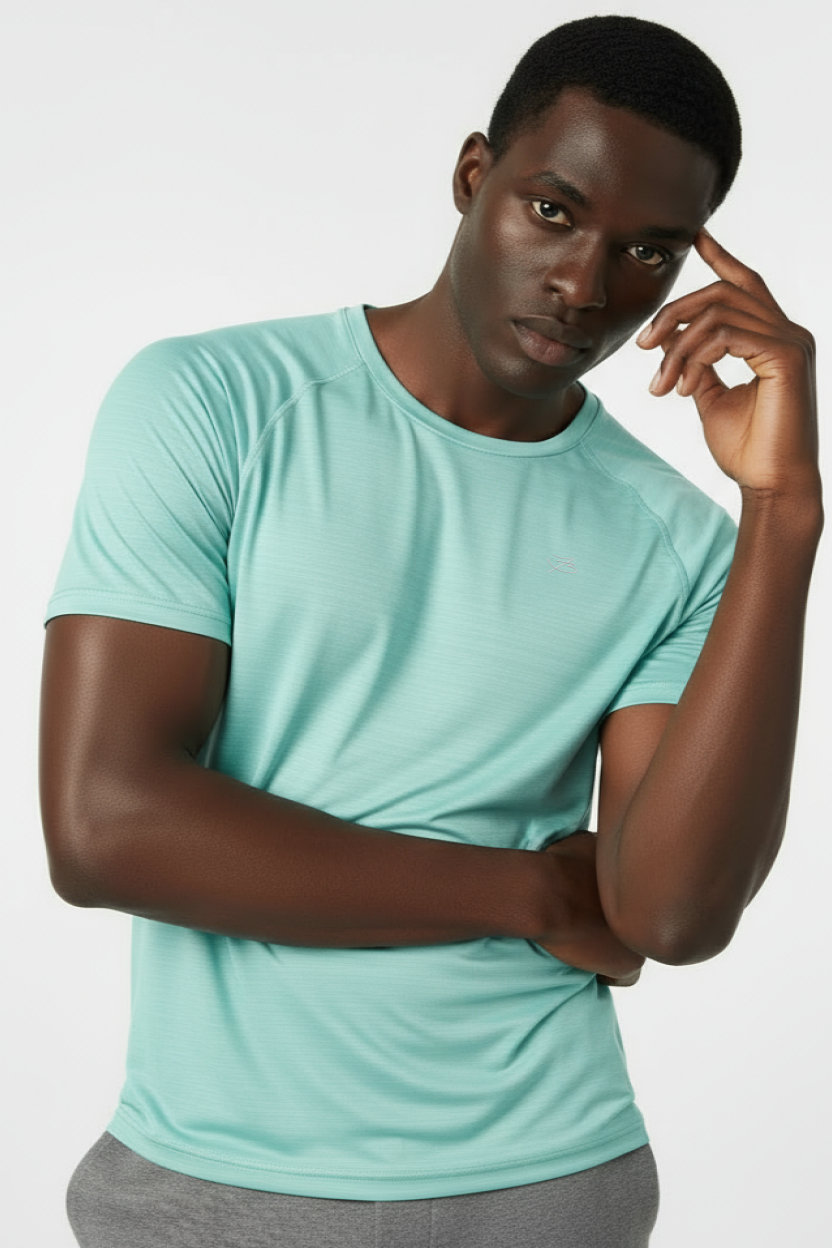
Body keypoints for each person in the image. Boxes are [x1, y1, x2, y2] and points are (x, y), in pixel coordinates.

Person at [39, 13, 821, 1248]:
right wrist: (525, 892)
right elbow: (103, 825)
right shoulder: (212, 405)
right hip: (215, 1187)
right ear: (474, 178)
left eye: (648, 253)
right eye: (553, 211)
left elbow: (669, 912)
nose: (584, 286)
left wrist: (780, 515)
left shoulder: (678, 543)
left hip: (550, 1180)